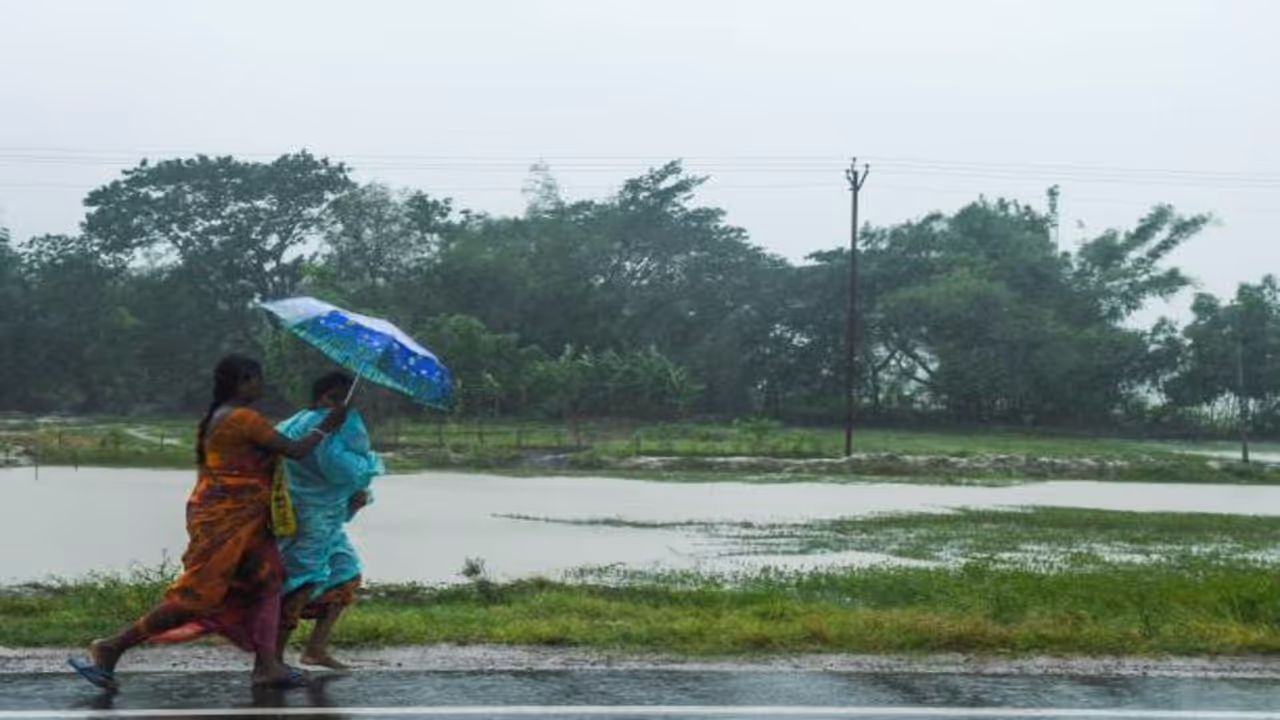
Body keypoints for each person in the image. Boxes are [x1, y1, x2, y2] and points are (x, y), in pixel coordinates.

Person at [68, 354, 347, 691]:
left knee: (269, 580)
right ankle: (111, 647)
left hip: (247, 521)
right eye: (256, 379)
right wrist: (326, 425)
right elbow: (295, 450)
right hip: (225, 520)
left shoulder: (223, 416)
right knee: (196, 598)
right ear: (243, 382)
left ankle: (267, 666)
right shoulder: (242, 418)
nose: (260, 385)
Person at [275, 371, 384, 670]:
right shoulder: (328, 424)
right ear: (326, 397)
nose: (349, 403)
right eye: (341, 397)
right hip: (310, 521)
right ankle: (273, 659)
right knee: (301, 582)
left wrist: (352, 499)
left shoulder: (293, 422)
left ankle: (315, 649)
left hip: (320, 518)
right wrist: (365, 473)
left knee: (345, 572)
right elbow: (341, 469)